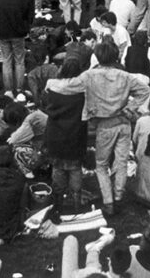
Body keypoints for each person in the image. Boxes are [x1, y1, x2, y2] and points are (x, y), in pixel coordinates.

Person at [48, 41, 150, 216]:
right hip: (124, 123)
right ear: (115, 56)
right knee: (121, 162)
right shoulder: (124, 75)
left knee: (102, 165)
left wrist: (50, 83)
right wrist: (130, 108)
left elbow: (68, 85)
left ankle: (109, 202)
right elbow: (145, 90)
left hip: (105, 125)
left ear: (98, 57)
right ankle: (118, 197)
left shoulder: (89, 76)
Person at [43, 57, 88, 214]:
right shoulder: (83, 89)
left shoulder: (51, 86)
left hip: (55, 134)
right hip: (76, 134)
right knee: (75, 167)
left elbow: (44, 103)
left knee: (58, 167)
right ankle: (77, 203)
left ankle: (58, 203)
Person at [0, 0, 31, 92]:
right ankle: (19, 88)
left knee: (6, 61)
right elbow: (27, 17)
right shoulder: (23, 0)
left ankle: (8, 89)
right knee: (19, 61)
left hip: (3, 33)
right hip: (19, 33)